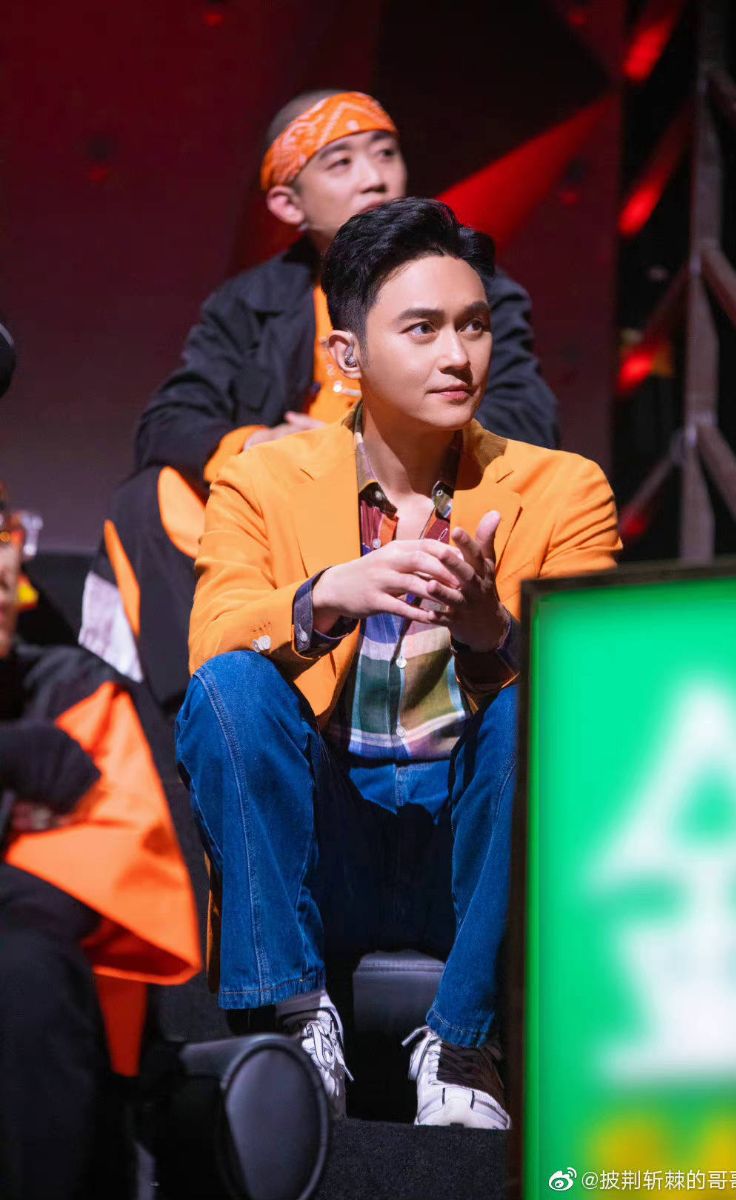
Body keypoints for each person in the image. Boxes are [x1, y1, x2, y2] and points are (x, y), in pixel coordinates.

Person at [175, 198, 620, 1128]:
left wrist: (491, 633)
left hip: (474, 846)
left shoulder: (563, 488)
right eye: (423, 329)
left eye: (474, 326)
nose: (459, 356)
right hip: (331, 836)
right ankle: (292, 1026)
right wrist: (322, 598)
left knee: (549, 709)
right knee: (235, 688)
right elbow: (211, 651)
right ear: (348, 354)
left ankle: (463, 1048)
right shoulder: (262, 479)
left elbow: (597, 707)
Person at [81, 88, 559, 709]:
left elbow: (528, 419)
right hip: (296, 520)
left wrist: (400, 442)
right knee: (152, 496)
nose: (375, 177)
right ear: (288, 202)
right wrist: (266, 446)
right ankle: (206, 707)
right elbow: (169, 421)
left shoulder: (473, 291)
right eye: (341, 163)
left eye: (385, 153)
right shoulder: (248, 303)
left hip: (430, 504)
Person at [0, 484, 201, 1200]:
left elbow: (68, 898)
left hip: (52, 1066)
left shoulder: (76, 693)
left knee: (22, 966)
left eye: (4, 533)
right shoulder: (41, 739)